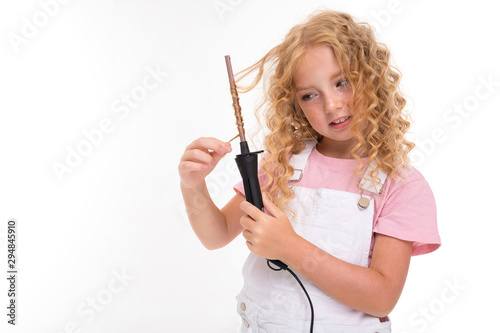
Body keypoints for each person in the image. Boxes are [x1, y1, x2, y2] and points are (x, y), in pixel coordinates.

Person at [178, 10, 440, 332]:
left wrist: (290, 247)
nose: (332, 105)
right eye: (310, 95)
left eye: (342, 82)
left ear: (370, 79)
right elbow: (215, 234)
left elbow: (382, 297)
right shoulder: (283, 166)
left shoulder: (401, 186)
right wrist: (192, 186)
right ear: (295, 105)